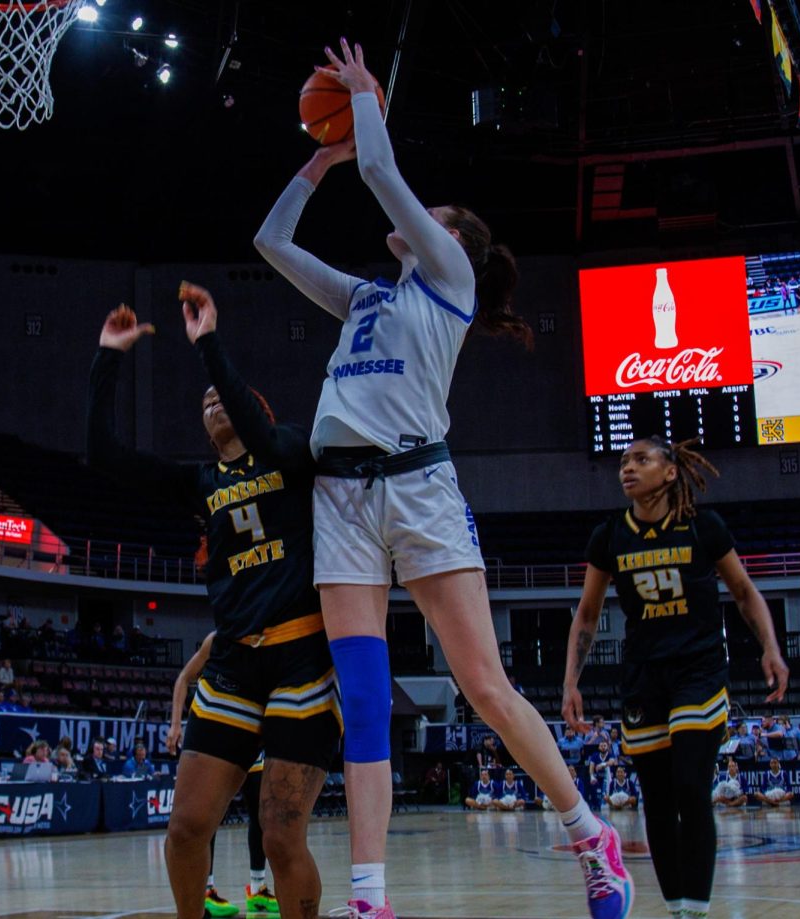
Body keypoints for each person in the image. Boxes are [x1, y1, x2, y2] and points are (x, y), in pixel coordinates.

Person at [254, 38, 623, 919]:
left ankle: (587, 831)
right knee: (368, 701)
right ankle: (372, 899)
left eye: (435, 213)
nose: (418, 216)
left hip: (418, 490)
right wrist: (317, 159)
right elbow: (269, 241)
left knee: (485, 689)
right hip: (339, 500)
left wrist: (367, 100)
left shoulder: (448, 279)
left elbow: (382, 173)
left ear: (450, 238)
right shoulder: (366, 297)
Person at [89, 285, 339, 919]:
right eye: (203, 404)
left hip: (301, 659)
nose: (211, 405)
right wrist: (108, 358)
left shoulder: (289, 451)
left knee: (282, 836)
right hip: (231, 666)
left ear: (250, 406)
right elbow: (104, 455)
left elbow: (254, 418)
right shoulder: (199, 484)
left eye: (222, 397)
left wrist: (208, 344)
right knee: (185, 831)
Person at [563, 436, 789, 919]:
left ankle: (698, 909)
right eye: (624, 461)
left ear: (669, 473)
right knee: (659, 802)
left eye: (641, 460)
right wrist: (570, 683)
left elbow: (745, 593)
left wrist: (770, 647)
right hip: (643, 676)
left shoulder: (703, 527)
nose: (628, 468)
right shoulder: (609, 536)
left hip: (699, 669)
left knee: (690, 785)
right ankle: (678, 908)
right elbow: (586, 616)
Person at [168, 632, 278, 919]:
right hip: (215, 733)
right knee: (203, 819)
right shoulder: (217, 639)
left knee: (261, 816)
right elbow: (183, 678)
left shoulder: (272, 635)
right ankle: (207, 889)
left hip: (250, 734)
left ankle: (258, 888)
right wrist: (175, 725)